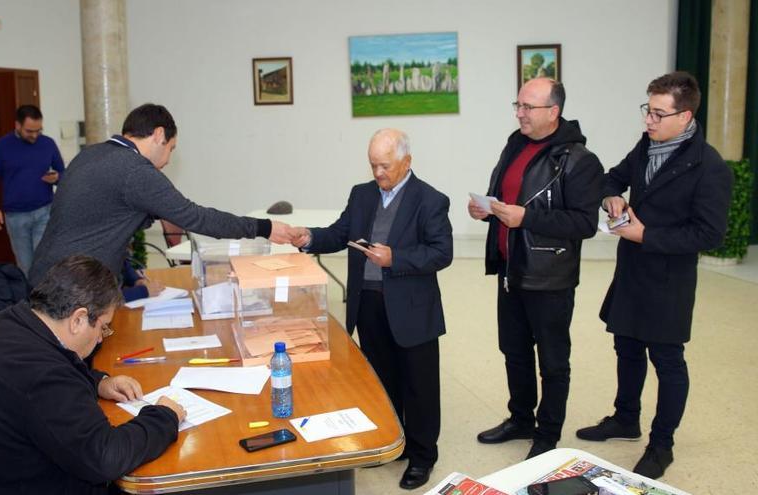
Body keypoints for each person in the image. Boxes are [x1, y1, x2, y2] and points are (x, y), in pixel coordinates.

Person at [0, 255, 186, 494]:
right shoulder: (41, 374)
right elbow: (105, 457)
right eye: (103, 327)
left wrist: (99, 382)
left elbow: (41, 385)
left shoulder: (9, 323)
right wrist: (164, 416)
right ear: (78, 319)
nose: (102, 339)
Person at [575, 72, 732, 479]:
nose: (649, 121)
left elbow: (710, 233)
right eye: (648, 110)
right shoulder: (648, 144)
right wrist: (611, 195)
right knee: (625, 348)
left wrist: (647, 234)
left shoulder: (710, 167)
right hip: (632, 271)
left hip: (668, 278)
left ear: (686, 116)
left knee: (667, 360)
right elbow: (615, 175)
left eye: (659, 114)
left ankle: (663, 443)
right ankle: (626, 419)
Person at [291, 128, 452, 490]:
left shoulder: (430, 200)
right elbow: (340, 233)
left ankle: (423, 455)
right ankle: (393, 443)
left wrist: (396, 258)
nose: (378, 173)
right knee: (382, 380)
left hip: (412, 310)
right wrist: (310, 237)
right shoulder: (361, 195)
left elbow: (442, 252)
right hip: (368, 303)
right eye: (373, 165)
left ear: (407, 162)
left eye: (385, 166)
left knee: (420, 386)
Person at [468, 78, 603, 459]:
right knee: (513, 350)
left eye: (528, 107)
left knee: (553, 359)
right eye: (518, 105)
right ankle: (521, 418)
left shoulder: (579, 160)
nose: (519, 113)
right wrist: (486, 209)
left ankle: (548, 433)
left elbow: (583, 224)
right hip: (511, 267)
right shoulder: (516, 143)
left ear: (553, 112)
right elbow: (508, 195)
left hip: (549, 274)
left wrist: (527, 218)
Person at [28, 103, 293, 285]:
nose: (167, 160)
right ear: (158, 135)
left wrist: (132, 278)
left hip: (48, 274)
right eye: (171, 148)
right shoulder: (135, 170)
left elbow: (105, 230)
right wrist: (264, 227)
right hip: (71, 288)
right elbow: (197, 218)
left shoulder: (92, 153)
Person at [0, 104, 65, 275]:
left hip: (44, 212)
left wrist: (57, 178)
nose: (35, 135)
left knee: (43, 263)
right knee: (26, 267)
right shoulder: (2, 146)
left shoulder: (48, 144)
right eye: (30, 131)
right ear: (17, 126)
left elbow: (64, 173)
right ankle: (32, 301)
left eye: (38, 130)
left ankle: (47, 301)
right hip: (15, 217)